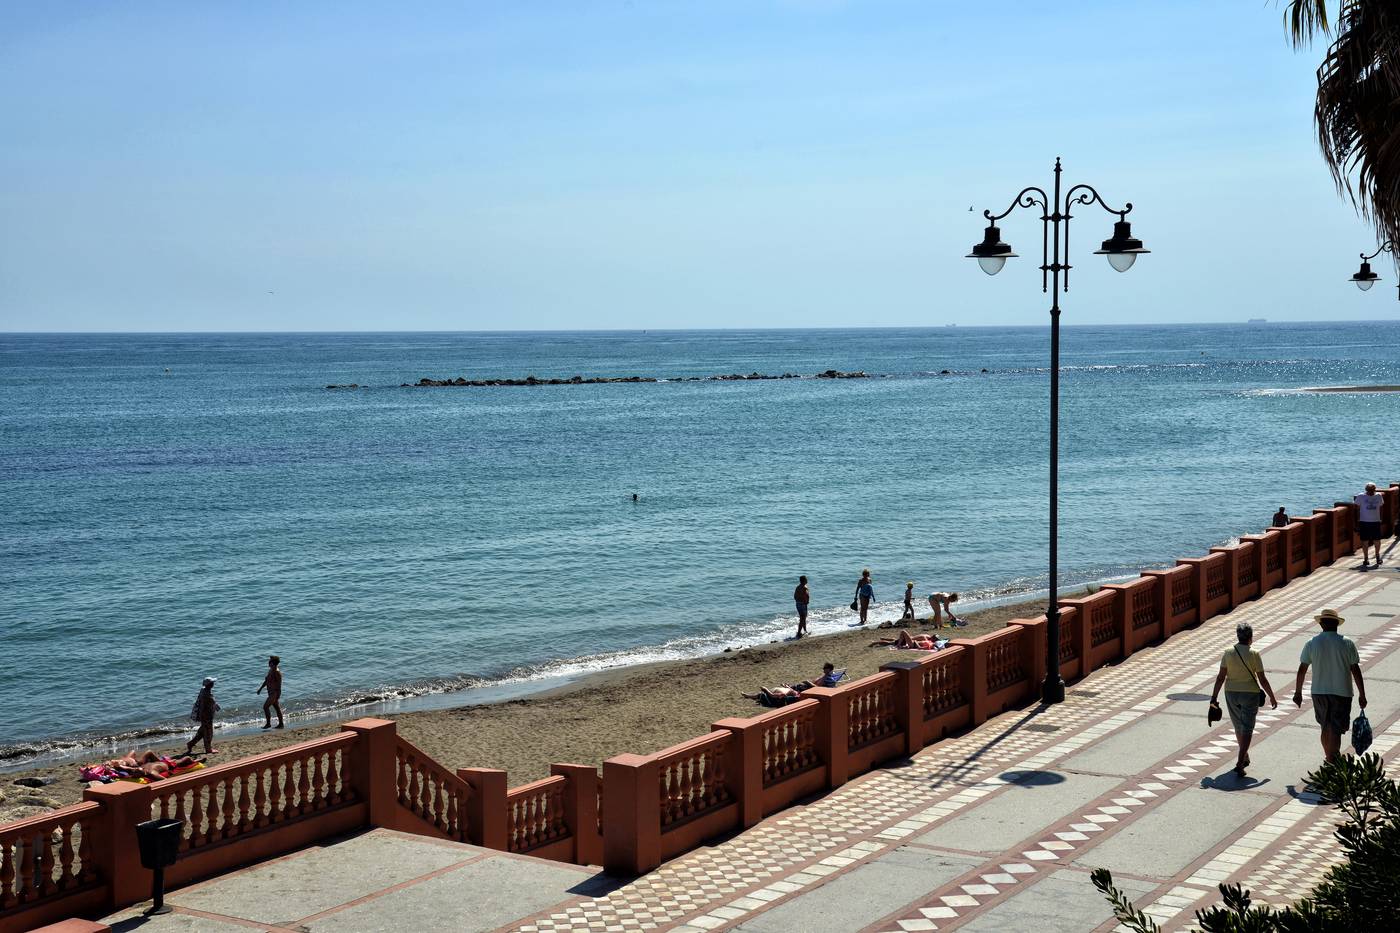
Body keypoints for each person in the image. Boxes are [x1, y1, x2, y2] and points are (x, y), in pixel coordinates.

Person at [1293, 608, 1367, 764]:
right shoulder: (1347, 643)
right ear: (1336, 625)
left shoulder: (1312, 643)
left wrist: (1298, 692)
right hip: (1342, 692)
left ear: (1321, 624)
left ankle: (1329, 757)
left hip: (1319, 692)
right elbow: (1355, 669)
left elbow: (1302, 669)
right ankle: (1332, 758)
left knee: (1325, 727)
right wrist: (1362, 694)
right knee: (1336, 729)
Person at [1209, 623, 1277, 776]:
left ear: (1238, 636)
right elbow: (1262, 679)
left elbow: (1221, 677)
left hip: (1231, 693)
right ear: (1250, 638)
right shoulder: (1254, 654)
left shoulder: (1228, 653)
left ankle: (1244, 756)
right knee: (1247, 728)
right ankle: (1240, 761)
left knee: (1238, 726)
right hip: (1250, 694)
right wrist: (1272, 696)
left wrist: (1213, 697)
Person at [185, 677, 221, 756]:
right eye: (212, 682)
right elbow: (210, 704)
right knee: (208, 733)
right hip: (206, 716)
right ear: (210, 685)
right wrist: (217, 708)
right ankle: (208, 749)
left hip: (204, 715)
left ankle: (191, 744)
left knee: (202, 732)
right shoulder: (207, 694)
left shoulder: (204, 690)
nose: (213, 684)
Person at [1355, 482, 1384, 567]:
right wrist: (1357, 521)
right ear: (1366, 490)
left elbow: (1381, 508)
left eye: (1373, 490)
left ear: (1375, 490)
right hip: (1364, 521)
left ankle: (1377, 556)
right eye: (1369, 490)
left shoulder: (1378, 496)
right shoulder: (1361, 496)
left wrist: (1380, 519)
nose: (1371, 492)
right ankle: (1366, 558)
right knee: (1365, 541)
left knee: (1377, 541)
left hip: (1376, 521)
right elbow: (1356, 509)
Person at [257, 655, 284, 729]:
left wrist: (278, 695)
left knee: (265, 707)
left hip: (274, 693)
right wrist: (260, 689)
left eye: (270, 661)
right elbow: (266, 681)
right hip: (270, 692)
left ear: (273, 663)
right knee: (277, 708)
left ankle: (268, 724)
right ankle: (281, 724)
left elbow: (279, 684)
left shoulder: (277, 672)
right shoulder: (271, 670)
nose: (268, 663)